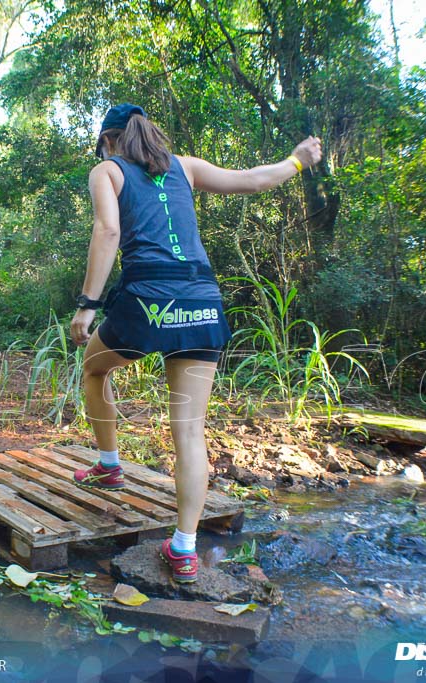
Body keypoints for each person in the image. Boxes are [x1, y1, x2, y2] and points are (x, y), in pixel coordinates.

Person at [69, 103, 322, 583]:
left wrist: (88, 304)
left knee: (94, 367)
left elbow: (108, 230)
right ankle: (184, 548)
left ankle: (109, 465)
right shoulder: (184, 167)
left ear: (108, 140)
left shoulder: (106, 169)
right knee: (189, 428)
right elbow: (253, 180)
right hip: (202, 300)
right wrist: (297, 161)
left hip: (149, 299)